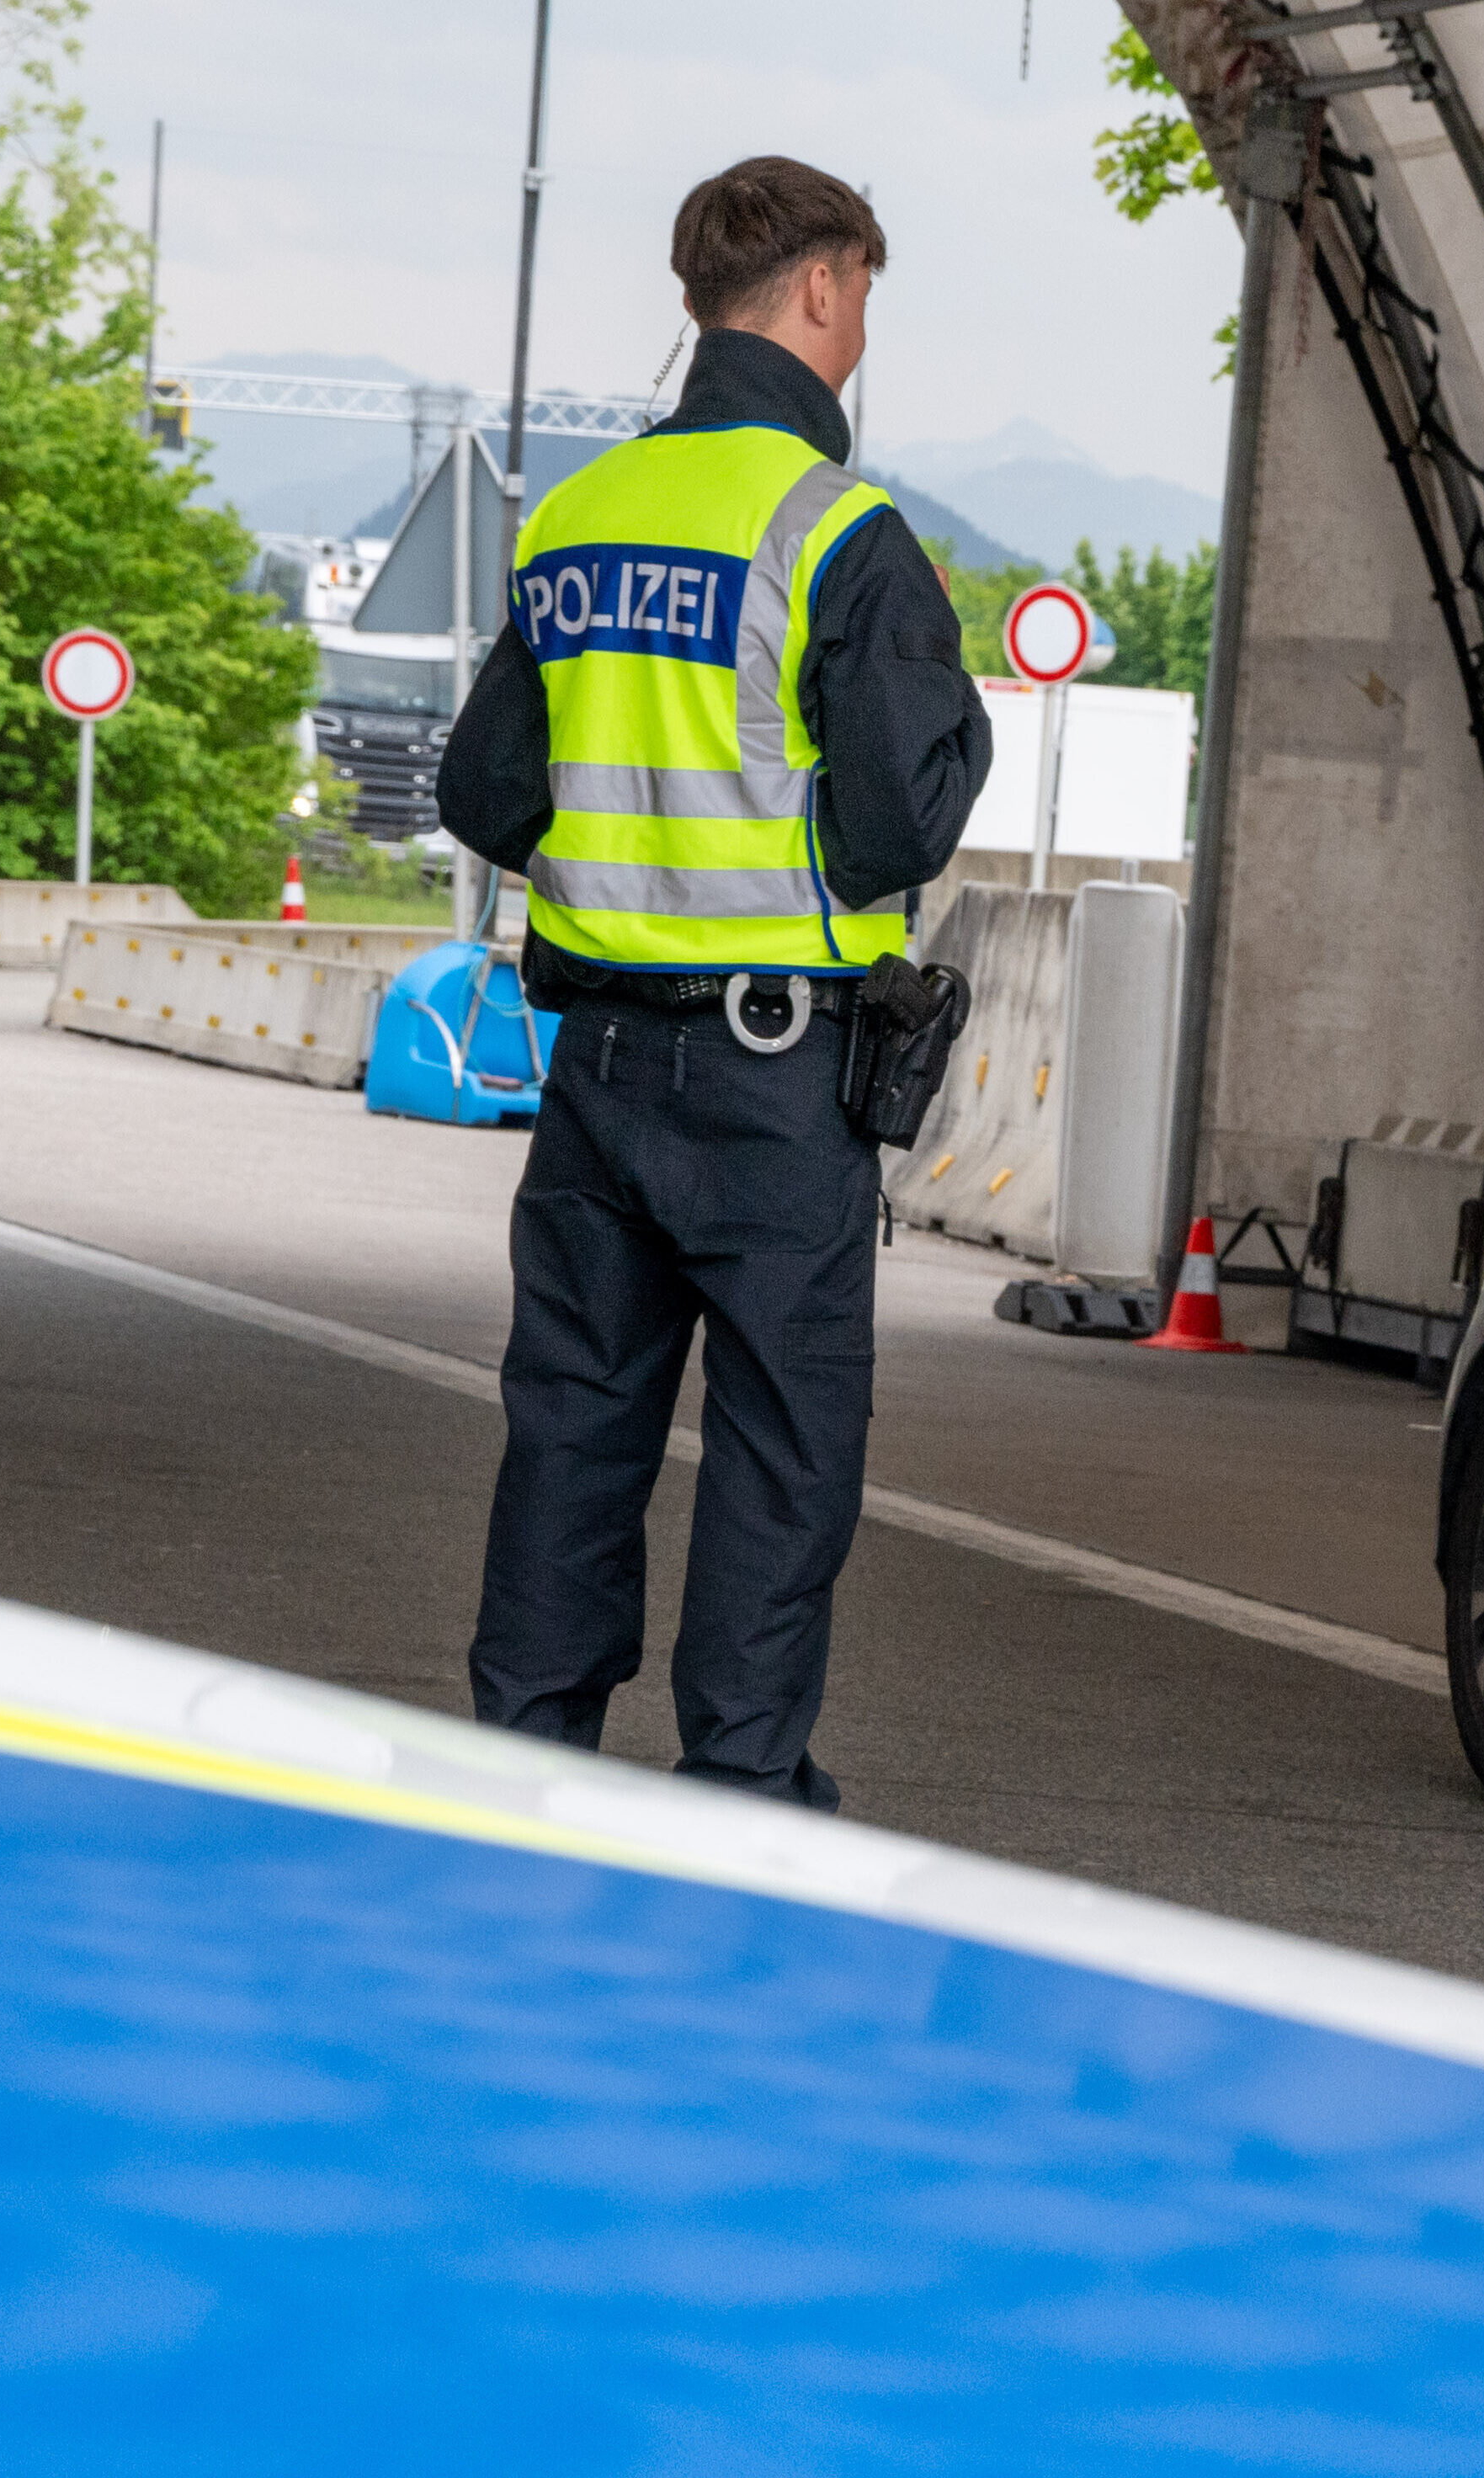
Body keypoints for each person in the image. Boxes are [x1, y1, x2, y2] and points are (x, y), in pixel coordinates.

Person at [440, 157, 989, 1809]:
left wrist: (639, 846)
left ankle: (522, 1782)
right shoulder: (841, 533)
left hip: (597, 1063)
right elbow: (904, 817)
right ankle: (737, 1804)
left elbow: (485, 794)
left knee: (572, 1432)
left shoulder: (578, 515)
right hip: (773, 1079)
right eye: (865, 294)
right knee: (776, 1452)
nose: (863, 325)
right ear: (821, 289)